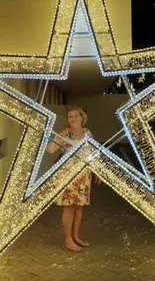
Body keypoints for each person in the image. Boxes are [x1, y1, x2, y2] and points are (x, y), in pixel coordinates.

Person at [47, 106, 101, 252]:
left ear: (82, 117)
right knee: (69, 207)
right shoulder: (66, 133)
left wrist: (97, 171)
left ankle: (75, 236)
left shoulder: (87, 133)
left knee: (79, 207)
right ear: (68, 120)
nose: (73, 118)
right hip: (69, 174)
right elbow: (51, 149)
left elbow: (92, 153)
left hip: (83, 174)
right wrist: (56, 136)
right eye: (70, 116)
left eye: (76, 115)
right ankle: (68, 240)